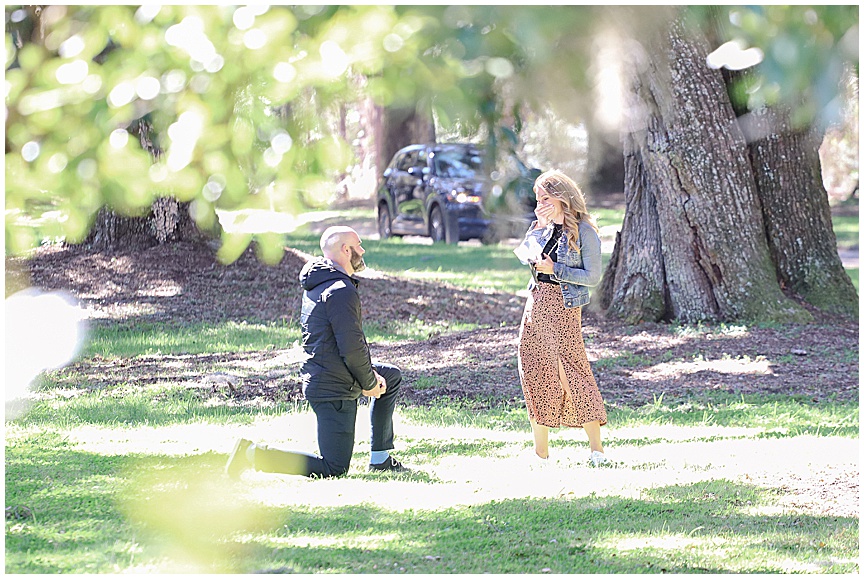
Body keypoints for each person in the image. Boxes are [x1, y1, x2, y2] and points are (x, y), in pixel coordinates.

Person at [225, 226, 407, 478]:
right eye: (359, 245)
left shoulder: (321, 283)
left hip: (330, 374)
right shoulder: (341, 291)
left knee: (391, 376)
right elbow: (352, 348)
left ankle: (381, 459)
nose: (363, 250)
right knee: (334, 468)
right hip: (332, 388)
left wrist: (370, 378)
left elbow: (348, 347)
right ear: (346, 250)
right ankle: (252, 453)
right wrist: (368, 383)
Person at [513, 169, 610, 468]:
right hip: (536, 303)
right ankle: (540, 453)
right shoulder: (540, 228)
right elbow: (527, 258)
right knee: (532, 368)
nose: (541, 203)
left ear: (563, 197)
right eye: (538, 198)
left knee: (570, 370)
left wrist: (556, 270)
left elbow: (592, 277)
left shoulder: (585, 232)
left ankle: (597, 451)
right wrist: (540, 228)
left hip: (563, 306)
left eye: (546, 197)